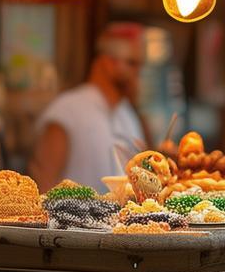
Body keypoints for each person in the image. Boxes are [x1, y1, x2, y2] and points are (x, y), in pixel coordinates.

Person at [28, 23, 149, 190]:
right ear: (107, 62)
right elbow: (43, 183)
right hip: (71, 216)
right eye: (131, 63)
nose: (138, 72)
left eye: (140, 65)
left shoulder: (128, 114)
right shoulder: (67, 110)